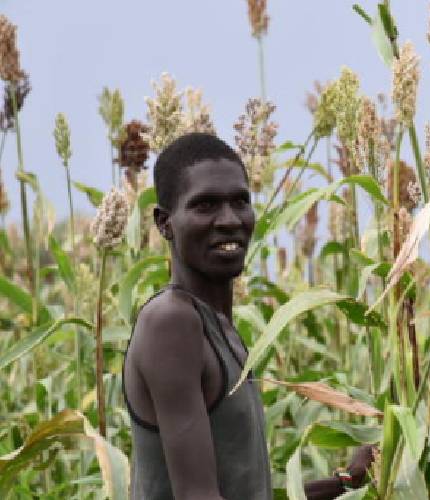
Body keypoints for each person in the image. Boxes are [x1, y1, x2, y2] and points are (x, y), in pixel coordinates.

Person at [123, 133, 374, 500]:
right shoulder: (171, 323)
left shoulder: (220, 328)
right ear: (165, 223)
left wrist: (345, 482)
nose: (229, 220)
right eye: (205, 205)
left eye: (240, 201)